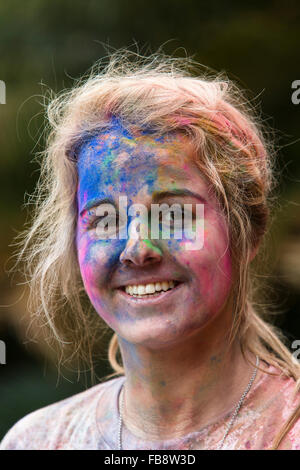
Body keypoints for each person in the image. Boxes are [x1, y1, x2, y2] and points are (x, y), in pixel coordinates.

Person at [1, 51, 299, 450]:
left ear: (250, 233)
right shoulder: (37, 443)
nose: (138, 248)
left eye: (174, 212)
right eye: (104, 218)